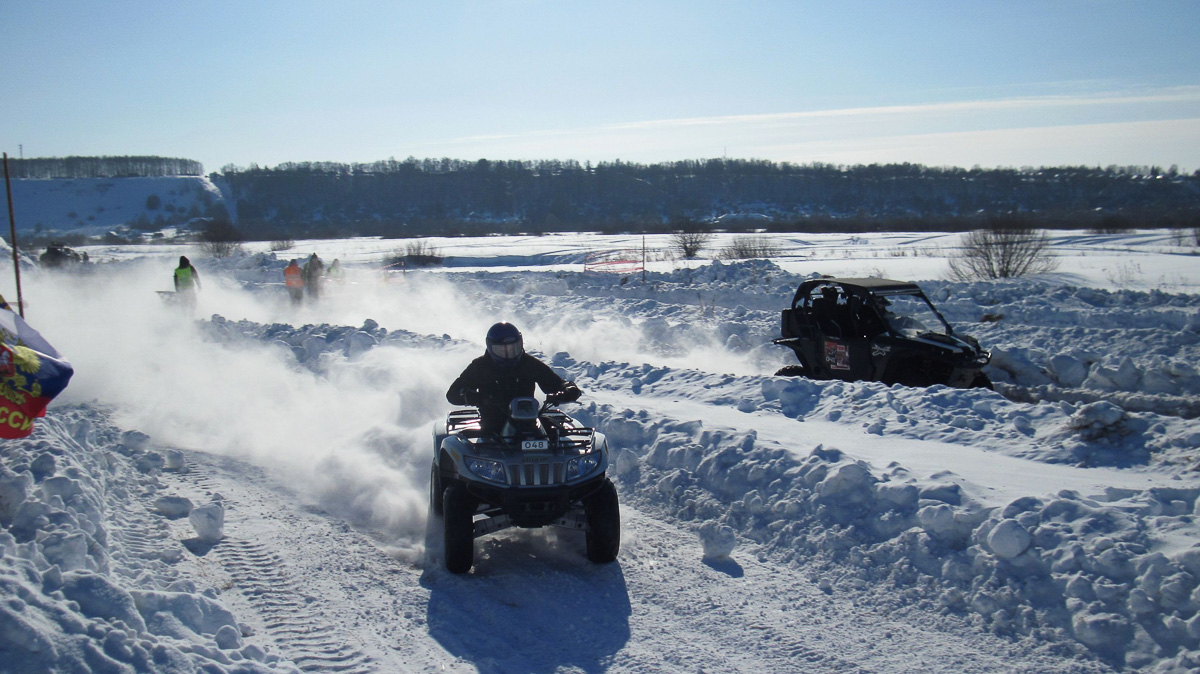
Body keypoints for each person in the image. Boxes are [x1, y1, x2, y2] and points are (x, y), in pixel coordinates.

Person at [446, 322, 581, 433]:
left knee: (556, 434)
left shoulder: (528, 363)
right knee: (475, 448)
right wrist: (475, 397)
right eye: (502, 350)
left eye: (513, 348)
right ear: (490, 347)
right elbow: (452, 393)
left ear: (520, 344)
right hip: (493, 424)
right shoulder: (480, 366)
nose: (508, 354)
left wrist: (568, 390)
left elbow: (555, 383)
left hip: (530, 421)